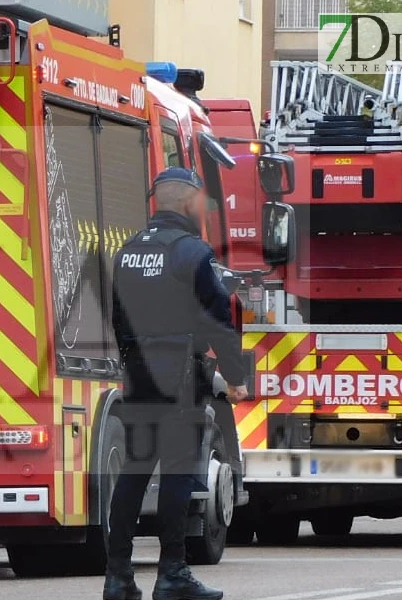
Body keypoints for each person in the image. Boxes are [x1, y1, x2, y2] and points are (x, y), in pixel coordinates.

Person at [105, 168, 248, 600]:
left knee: (132, 473)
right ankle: (172, 575)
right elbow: (220, 322)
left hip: (138, 377)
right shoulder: (192, 253)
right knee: (178, 475)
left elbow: (118, 318)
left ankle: (118, 578)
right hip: (180, 378)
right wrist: (237, 379)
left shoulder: (127, 252)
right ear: (186, 201)